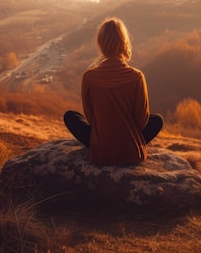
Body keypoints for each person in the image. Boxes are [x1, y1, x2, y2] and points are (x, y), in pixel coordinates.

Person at [64, 17, 163, 165]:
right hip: (131, 151)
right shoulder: (137, 77)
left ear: (101, 44)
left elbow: (91, 119)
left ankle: (104, 145)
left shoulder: (89, 77)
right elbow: (142, 121)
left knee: (71, 117)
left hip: (101, 151)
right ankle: (129, 145)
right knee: (157, 120)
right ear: (124, 43)